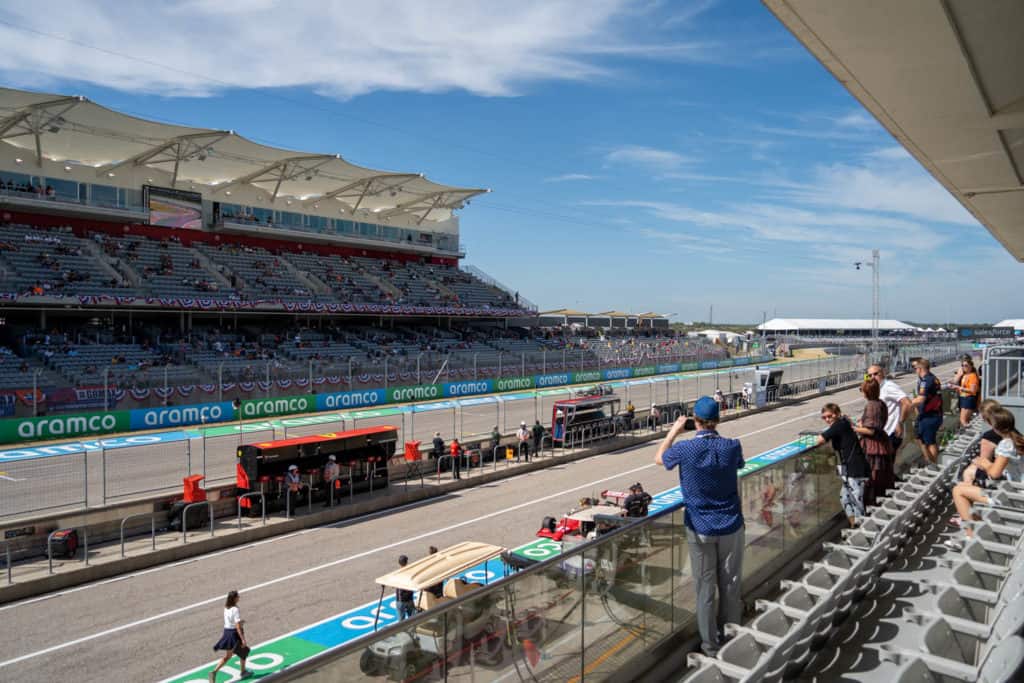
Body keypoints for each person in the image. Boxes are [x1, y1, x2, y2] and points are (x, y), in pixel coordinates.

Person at [655, 396, 744, 657]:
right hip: (731, 525)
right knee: (731, 585)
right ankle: (734, 639)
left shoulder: (685, 449)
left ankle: (710, 647)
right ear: (717, 420)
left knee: (705, 591)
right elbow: (738, 465)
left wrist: (673, 431)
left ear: (695, 421)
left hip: (700, 527)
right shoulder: (731, 445)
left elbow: (659, 458)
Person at [948, 408, 1024, 549]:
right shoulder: (1019, 439)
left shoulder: (1006, 444)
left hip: (1015, 499)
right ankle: (977, 531)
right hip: (1016, 493)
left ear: (995, 427)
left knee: (958, 491)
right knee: (965, 490)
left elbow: (994, 473)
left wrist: (984, 463)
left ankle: (971, 537)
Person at [815, 403, 869, 527]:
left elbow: (820, 439)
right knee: (844, 497)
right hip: (847, 468)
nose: (827, 419)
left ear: (837, 414)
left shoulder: (839, 425)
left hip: (855, 469)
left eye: (830, 416)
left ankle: (862, 531)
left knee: (856, 500)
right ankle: (853, 525)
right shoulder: (842, 422)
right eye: (824, 417)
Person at [854, 379, 894, 507]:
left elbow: (871, 431)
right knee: (880, 478)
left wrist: (854, 428)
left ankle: (871, 505)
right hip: (881, 443)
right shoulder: (880, 403)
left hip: (873, 447)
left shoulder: (872, 405)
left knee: (872, 478)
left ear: (867, 391)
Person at [867, 363, 913, 453]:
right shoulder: (879, 388)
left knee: (885, 463)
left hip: (891, 432)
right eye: (869, 375)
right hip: (883, 432)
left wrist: (900, 422)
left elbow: (907, 403)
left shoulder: (888, 386)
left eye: (875, 374)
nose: (872, 377)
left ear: (883, 373)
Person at [211, 590, 251, 681]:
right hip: (234, 634)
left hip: (227, 632)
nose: (239, 597)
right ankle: (243, 672)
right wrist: (243, 639)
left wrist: (240, 622)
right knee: (243, 652)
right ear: (234, 598)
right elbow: (237, 626)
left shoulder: (226, 607)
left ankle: (214, 671)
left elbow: (231, 621)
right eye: (238, 596)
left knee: (228, 656)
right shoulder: (235, 609)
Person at [911, 358, 943, 464]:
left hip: (929, 416)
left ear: (920, 368)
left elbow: (921, 399)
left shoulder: (926, 381)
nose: (914, 370)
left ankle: (933, 464)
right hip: (930, 415)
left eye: (914, 368)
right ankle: (929, 460)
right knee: (921, 439)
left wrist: (907, 404)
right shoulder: (933, 378)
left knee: (929, 442)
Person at [953, 357, 980, 428]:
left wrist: (959, 388)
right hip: (963, 398)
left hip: (968, 398)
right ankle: (967, 431)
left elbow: (973, 390)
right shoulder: (965, 375)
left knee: (963, 420)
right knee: (965, 420)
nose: (964, 367)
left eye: (966, 365)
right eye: (962, 365)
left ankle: (969, 432)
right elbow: (956, 381)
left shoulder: (973, 376)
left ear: (971, 366)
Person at [395, 555, 416, 619]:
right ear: (406, 562)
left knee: (401, 621)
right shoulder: (410, 572)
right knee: (412, 619)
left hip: (401, 600)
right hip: (409, 598)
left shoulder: (397, 574)